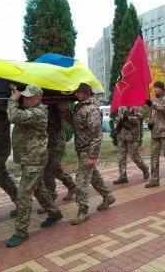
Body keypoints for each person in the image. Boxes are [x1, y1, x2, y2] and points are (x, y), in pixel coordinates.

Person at [6, 84, 63, 247]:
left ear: (39, 99)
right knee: (38, 188)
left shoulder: (37, 112)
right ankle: (54, 213)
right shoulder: (29, 110)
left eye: (30, 97)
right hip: (28, 158)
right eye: (25, 96)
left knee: (23, 194)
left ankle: (21, 232)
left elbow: (13, 116)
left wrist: (12, 101)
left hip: (35, 160)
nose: (26, 99)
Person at [66, 83, 115, 225]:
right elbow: (76, 124)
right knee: (94, 176)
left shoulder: (92, 109)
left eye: (78, 92)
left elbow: (96, 136)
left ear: (85, 93)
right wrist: (65, 112)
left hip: (88, 150)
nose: (75, 94)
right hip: (81, 149)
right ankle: (107, 196)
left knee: (81, 181)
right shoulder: (80, 107)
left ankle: (83, 211)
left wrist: (92, 156)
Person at [37, 103, 76, 214]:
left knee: (48, 171)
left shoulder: (60, 108)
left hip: (56, 144)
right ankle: (71, 185)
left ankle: (51, 199)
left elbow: (74, 122)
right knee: (56, 169)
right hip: (46, 143)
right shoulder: (43, 106)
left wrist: (63, 109)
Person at [145, 81, 165, 187]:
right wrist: (150, 122)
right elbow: (153, 114)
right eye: (153, 88)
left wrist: (152, 104)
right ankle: (155, 178)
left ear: (162, 88)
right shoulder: (154, 99)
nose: (154, 89)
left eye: (156, 88)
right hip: (155, 132)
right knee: (154, 155)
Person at [113, 106, 149, 184]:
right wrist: (116, 128)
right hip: (121, 135)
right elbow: (117, 119)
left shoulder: (136, 107)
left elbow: (138, 119)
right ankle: (123, 176)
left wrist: (128, 118)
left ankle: (145, 168)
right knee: (121, 156)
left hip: (132, 135)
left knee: (134, 155)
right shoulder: (121, 107)